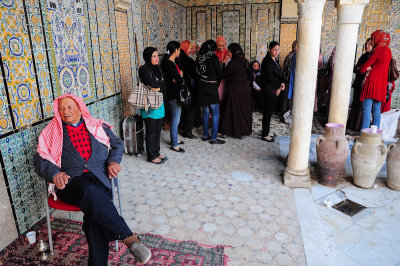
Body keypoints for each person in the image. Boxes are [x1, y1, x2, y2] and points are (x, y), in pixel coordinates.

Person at [33, 94, 151, 266]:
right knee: (89, 191)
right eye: (62, 108)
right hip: (70, 181)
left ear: (80, 108)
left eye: (70, 107)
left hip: (100, 178)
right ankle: (129, 238)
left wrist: (113, 161)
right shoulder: (52, 132)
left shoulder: (98, 126)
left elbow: (117, 143)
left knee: (93, 218)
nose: (66, 111)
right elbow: (39, 160)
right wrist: (53, 173)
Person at [139, 47, 168, 164]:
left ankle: (156, 152)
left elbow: (164, 85)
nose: (157, 58)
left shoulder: (158, 69)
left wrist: (158, 87)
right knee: (151, 131)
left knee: (157, 130)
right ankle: (151, 156)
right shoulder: (143, 69)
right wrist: (158, 86)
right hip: (149, 103)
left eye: (157, 56)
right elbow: (151, 83)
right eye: (154, 56)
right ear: (148, 57)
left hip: (159, 102)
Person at [360, 30, 392, 131]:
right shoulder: (388, 51)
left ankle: (363, 137)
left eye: (373, 38)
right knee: (376, 112)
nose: (373, 41)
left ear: (377, 39)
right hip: (381, 86)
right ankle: (375, 137)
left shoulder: (378, 51)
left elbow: (362, 68)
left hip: (371, 85)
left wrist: (368, 68)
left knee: (366, 114)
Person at [195, 40, 225, 144]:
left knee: (205, 112)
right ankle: (213, 138)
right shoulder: (213, 57)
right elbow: (220, 74)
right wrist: (216, 83)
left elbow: (197, 72)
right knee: (215, 113)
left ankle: (205, 135)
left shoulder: (199, 57)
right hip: (211, 86)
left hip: (202, 86)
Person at [221, 43, 252, 139]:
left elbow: (223, 74)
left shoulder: (233, 63)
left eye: (229, 52)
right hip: (245, 90)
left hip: (235, 91)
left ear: (232, 52)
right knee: (243, 112)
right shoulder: (245, 61)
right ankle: (243, 131)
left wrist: (222, 63)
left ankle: (234, 132)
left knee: (233, 111)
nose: (228, 53)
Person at [161, 41, 185, 152]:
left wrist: (178, 77)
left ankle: (175, 139)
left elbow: (177, 78)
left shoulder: (170, 62)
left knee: (176, 118)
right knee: (176, 119)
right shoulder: (169, 64)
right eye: (179, 49)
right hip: (174, 94)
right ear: (175, 50)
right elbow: (179, 80)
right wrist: (179, 76)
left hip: (173, 93)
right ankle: (174, 143)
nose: (180, 51)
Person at [260, 41, 285, 142]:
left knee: (269, 112)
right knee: (267, 112)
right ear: (269, 50)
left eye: (278, 49)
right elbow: (270, 78)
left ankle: (266, 130)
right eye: (274, 50)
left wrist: (282, 83)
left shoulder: (274, 60)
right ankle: (265, 134)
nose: (277, 52)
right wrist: (279, 86)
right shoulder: (267, 61)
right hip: (269, 91)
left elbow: (278, 75)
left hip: (274, 89)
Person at [347, 38, 372, 131]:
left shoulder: (372, 57)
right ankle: (352, 125)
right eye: (366, 43)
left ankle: (358, 126)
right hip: (359, 83)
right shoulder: (364, 56)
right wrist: (363, 68)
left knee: (362, 106)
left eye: (369, 44)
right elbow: (356, 68)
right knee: (355, 103)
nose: (367, 46)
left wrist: (362, 69)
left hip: (365, 84)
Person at [177, 40, 197, 139]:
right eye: (190, 48)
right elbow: (191, 73)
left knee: (185, 108)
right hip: (187, 87)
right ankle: (187, 131)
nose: (190, 50)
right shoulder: (186, 60)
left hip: (182, 87)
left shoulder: (179, 57)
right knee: (191, 108)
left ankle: (182, 128)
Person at [282, 40, 297, 112]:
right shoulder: (291, 56)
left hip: (294, 79)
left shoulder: (298, 56)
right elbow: (285, 69)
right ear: (294, 47)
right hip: (289, 80)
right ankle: (286, 113)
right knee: (288, 97)